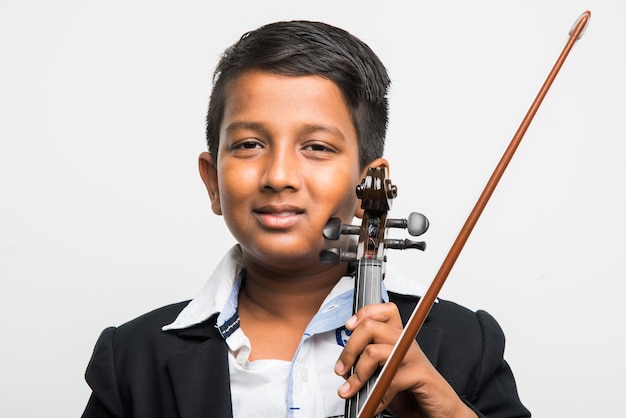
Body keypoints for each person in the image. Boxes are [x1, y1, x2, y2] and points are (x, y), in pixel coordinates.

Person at [81, 20, 530, 418]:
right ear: (212, 181)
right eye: (248, 145)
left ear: (367, 187)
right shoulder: (132, 360)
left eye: (316, 147)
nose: (278, 176)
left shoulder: (464, 342)